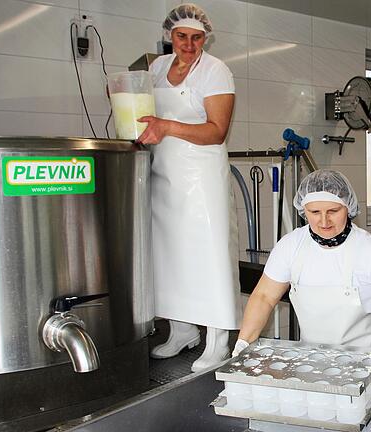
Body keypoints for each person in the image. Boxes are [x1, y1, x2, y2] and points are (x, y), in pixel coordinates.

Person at [232, 169, 371, 408]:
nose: (324, 221)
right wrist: (243, 344)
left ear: (348, 208)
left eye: (333, 211)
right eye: (314, 212)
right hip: (311, 364)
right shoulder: (291, 246)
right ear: (303, 211)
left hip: (368, 366)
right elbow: (264, 297)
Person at [137, 3, 240, 373]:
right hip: (166, 175)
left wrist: (166, 127)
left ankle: (217, 342)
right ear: (170, 35)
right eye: (182, 36)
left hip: (203, 179)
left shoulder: (216, 71)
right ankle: (182, 332)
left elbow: (216, 130)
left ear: (205, 38)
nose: (189, 44)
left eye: (197, 38)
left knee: (209, 259)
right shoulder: (157, 68)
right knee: (170, 256)